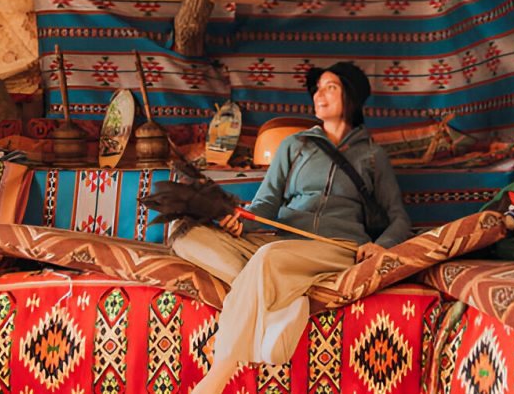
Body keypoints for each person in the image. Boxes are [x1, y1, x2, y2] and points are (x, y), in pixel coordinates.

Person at [170, 61, 412, 393]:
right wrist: (241, 222)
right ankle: (286, 300)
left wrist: (380, 245)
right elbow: (266, 203)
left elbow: (399, 217)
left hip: (335, 247)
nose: (319, 95)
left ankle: (218, 374)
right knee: (184, 234)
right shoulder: (294, 145)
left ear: (352, 97)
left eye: (330, 88)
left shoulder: (372, 156)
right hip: (283, 241)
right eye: (317, 89)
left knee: (269, 259)